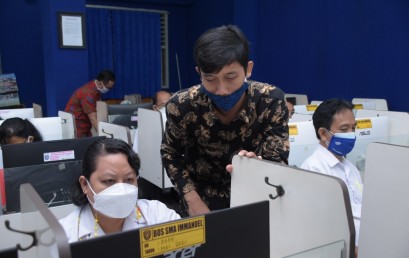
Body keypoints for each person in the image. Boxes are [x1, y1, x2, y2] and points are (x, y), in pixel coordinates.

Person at [161, 25, 289, 217]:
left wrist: (259, 165)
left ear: (248, 69)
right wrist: (191, 199)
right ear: (199, 72)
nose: (222, 90)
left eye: (231, 77)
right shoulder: (181, 105)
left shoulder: (270, 100)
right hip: (199, 197)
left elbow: (278, 156)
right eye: (210, 79)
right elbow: (171, 153)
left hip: (254, 195)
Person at [59, 138, 180, 243]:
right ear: (85, 184)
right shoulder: (64, 236)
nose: (121, 190)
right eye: (109, 181)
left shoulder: (158, 215)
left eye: (129, 179)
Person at [300, 98, 363, 254]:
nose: (351, 134)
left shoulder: (350, 168)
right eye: (344, 129)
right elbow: (319, 225)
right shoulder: (313, 169)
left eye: (353, 128)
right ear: (323, 133)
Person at [65, 70, 116, 137]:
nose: (109, 90)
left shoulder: (94, 88)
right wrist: (105, 136)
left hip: (85, 125)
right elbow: (93, 118)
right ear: (100, 83)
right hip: (77, 127)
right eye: (109, 88)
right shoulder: (88, 94)